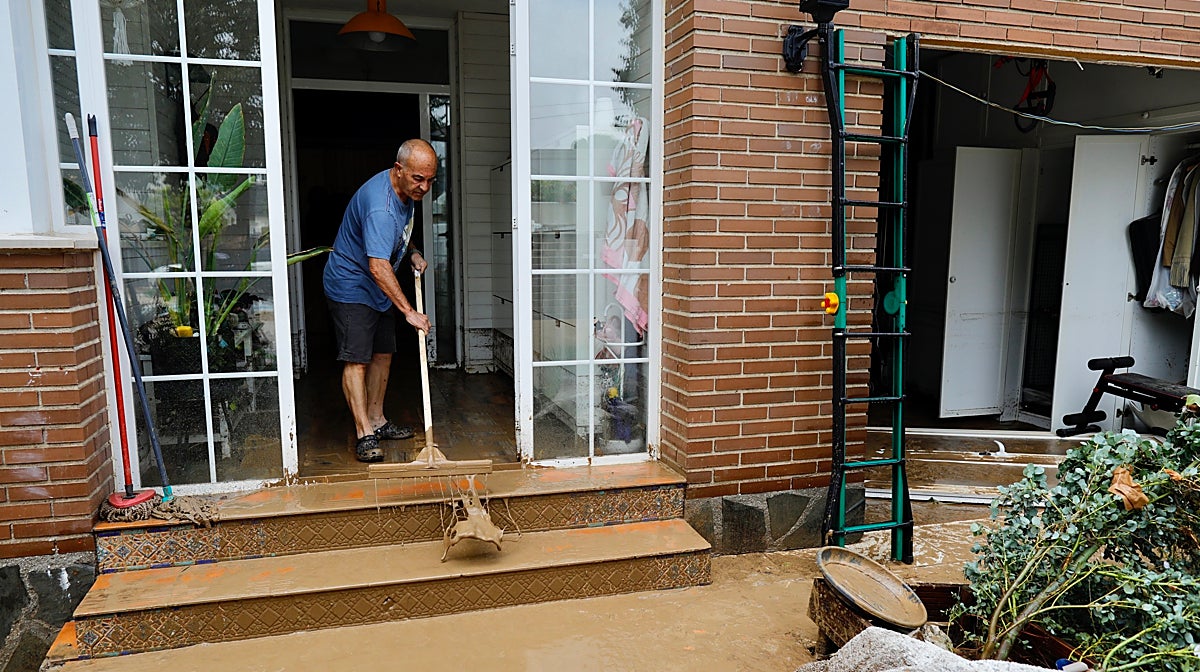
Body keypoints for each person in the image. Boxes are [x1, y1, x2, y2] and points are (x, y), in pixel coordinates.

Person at [323, 139, 437, 463]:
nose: (425, 187)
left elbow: (398, 228)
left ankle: (378, 420)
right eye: (418, 179)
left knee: (382, 353)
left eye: (430, 180)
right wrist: (410, 312)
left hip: (377, 284)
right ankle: (364, 433)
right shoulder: (380, 206)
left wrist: (412, 250)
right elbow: (378, 265)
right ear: (398, 170)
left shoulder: (404, 191)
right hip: (352, 284)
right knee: (357, 359)